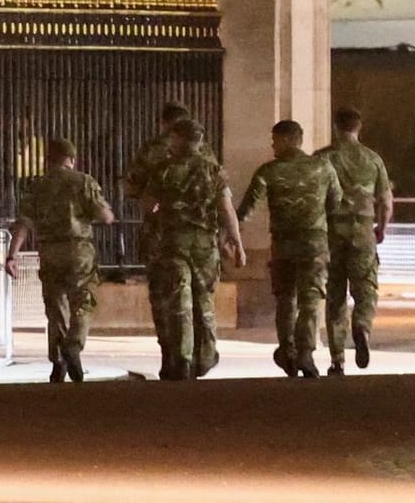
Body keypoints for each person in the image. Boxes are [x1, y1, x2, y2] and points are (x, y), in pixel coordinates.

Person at [237, 120, 342, 378]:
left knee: (286, 299)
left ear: (286, 140)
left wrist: (231, 231)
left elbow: (248, 206)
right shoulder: (323, 167)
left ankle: (287, 349)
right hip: (314, 244)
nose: (272, 145)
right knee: (310, 300)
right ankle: (306, 350)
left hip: (284, 245)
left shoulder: (269, 171)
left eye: (275, 140)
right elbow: (336, 202)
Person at [144, 117, 245, 380]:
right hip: (204, 245)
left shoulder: (163, 169)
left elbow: (150, 205)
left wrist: (160, 213)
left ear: (178, 138)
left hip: (173, 243)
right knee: (204, 300)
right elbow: (226, 209)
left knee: (179, 301)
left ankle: (182, 357)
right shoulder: (213, 170)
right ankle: (207, 354)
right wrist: (238, 244)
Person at [6, 139, 115, 383]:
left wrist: (12, 255)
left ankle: (58, 362)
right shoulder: (83, 181)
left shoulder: (37, 187)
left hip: (49, 252)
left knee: (56, 308)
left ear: (48, 160)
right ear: (72, 159)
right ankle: (73, 346)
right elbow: (105, 216)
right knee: (83, 302)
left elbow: (23, 224)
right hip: (78, 251)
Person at [316, 106, 394, 375]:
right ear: (358, 128)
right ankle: (362, 325)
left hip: (331, 233)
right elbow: (385, 200)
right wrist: (380, 228)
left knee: (335, 294)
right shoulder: (373, 159)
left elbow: (314, 199)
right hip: (362, 232)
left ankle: (337, 359)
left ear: (336, 127)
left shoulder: (323, 158)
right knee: (366, 288)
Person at [125, 103, 219, 263]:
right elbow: (217, 186)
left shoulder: (151, 148)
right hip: (200, 227)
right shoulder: (204, 150)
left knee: (161, 273)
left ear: (163, 122)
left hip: (161, 224)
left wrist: (147, 200)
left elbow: (133, 185)